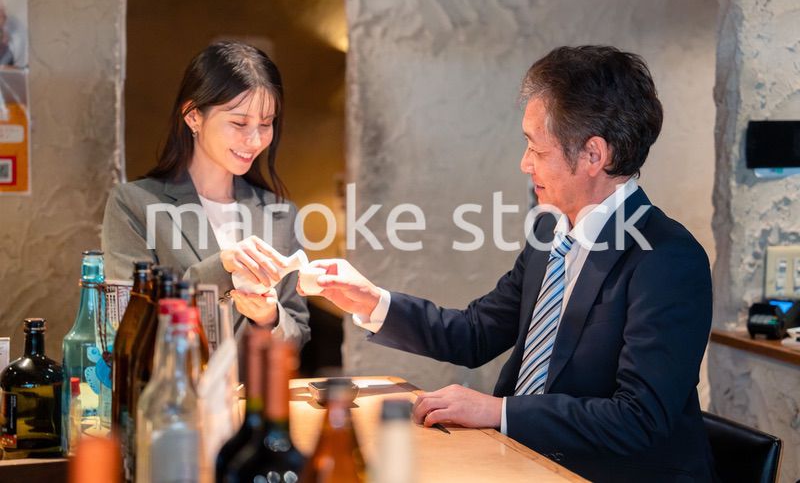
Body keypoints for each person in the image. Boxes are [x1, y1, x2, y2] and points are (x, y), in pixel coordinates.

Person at [293, 46, 716, 481]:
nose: (524, 163)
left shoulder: (666, 258)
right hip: (519, 464)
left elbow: (638, 419)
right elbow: (474, 334)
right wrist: (370, 300)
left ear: (594, 155)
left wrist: (499, 411)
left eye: (536, 148)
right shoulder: (552, 234)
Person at [102, 41, 310, 346]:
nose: (254, 140)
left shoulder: (279, 213)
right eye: (239, 122)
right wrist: (221, 267)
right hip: (173, 392)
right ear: (192, 116)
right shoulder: (133, 205)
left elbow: (297, 335)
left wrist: (268, 317)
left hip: (251, 394)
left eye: (266, 124)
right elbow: (128, 326)